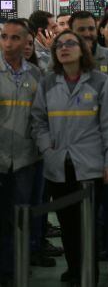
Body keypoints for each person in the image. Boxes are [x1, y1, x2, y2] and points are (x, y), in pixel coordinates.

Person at [31, 30, 108, 284]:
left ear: (82, 49)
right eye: (59, 45)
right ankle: (74, 269)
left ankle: (88, 273)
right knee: (67, 224)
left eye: (70, 44)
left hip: (91, 166)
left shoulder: (99, 82)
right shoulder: (49, 82)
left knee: (88, 227)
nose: (64, 48)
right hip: (58, 165)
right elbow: (38, 120)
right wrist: (46, 148)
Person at [0, 19, 50, 285]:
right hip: (0, 159)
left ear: (26, 42)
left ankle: (15, 268)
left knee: (20, 216)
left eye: (15, 38)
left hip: (25, 159)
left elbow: (40, 117)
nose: (8, 43)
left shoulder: (36, 76)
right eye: (4, 37)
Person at [69, 11, 108, 92]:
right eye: (81, 29)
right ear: (71, 32)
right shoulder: (62, 55)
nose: (87, 34)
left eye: (91, 29)